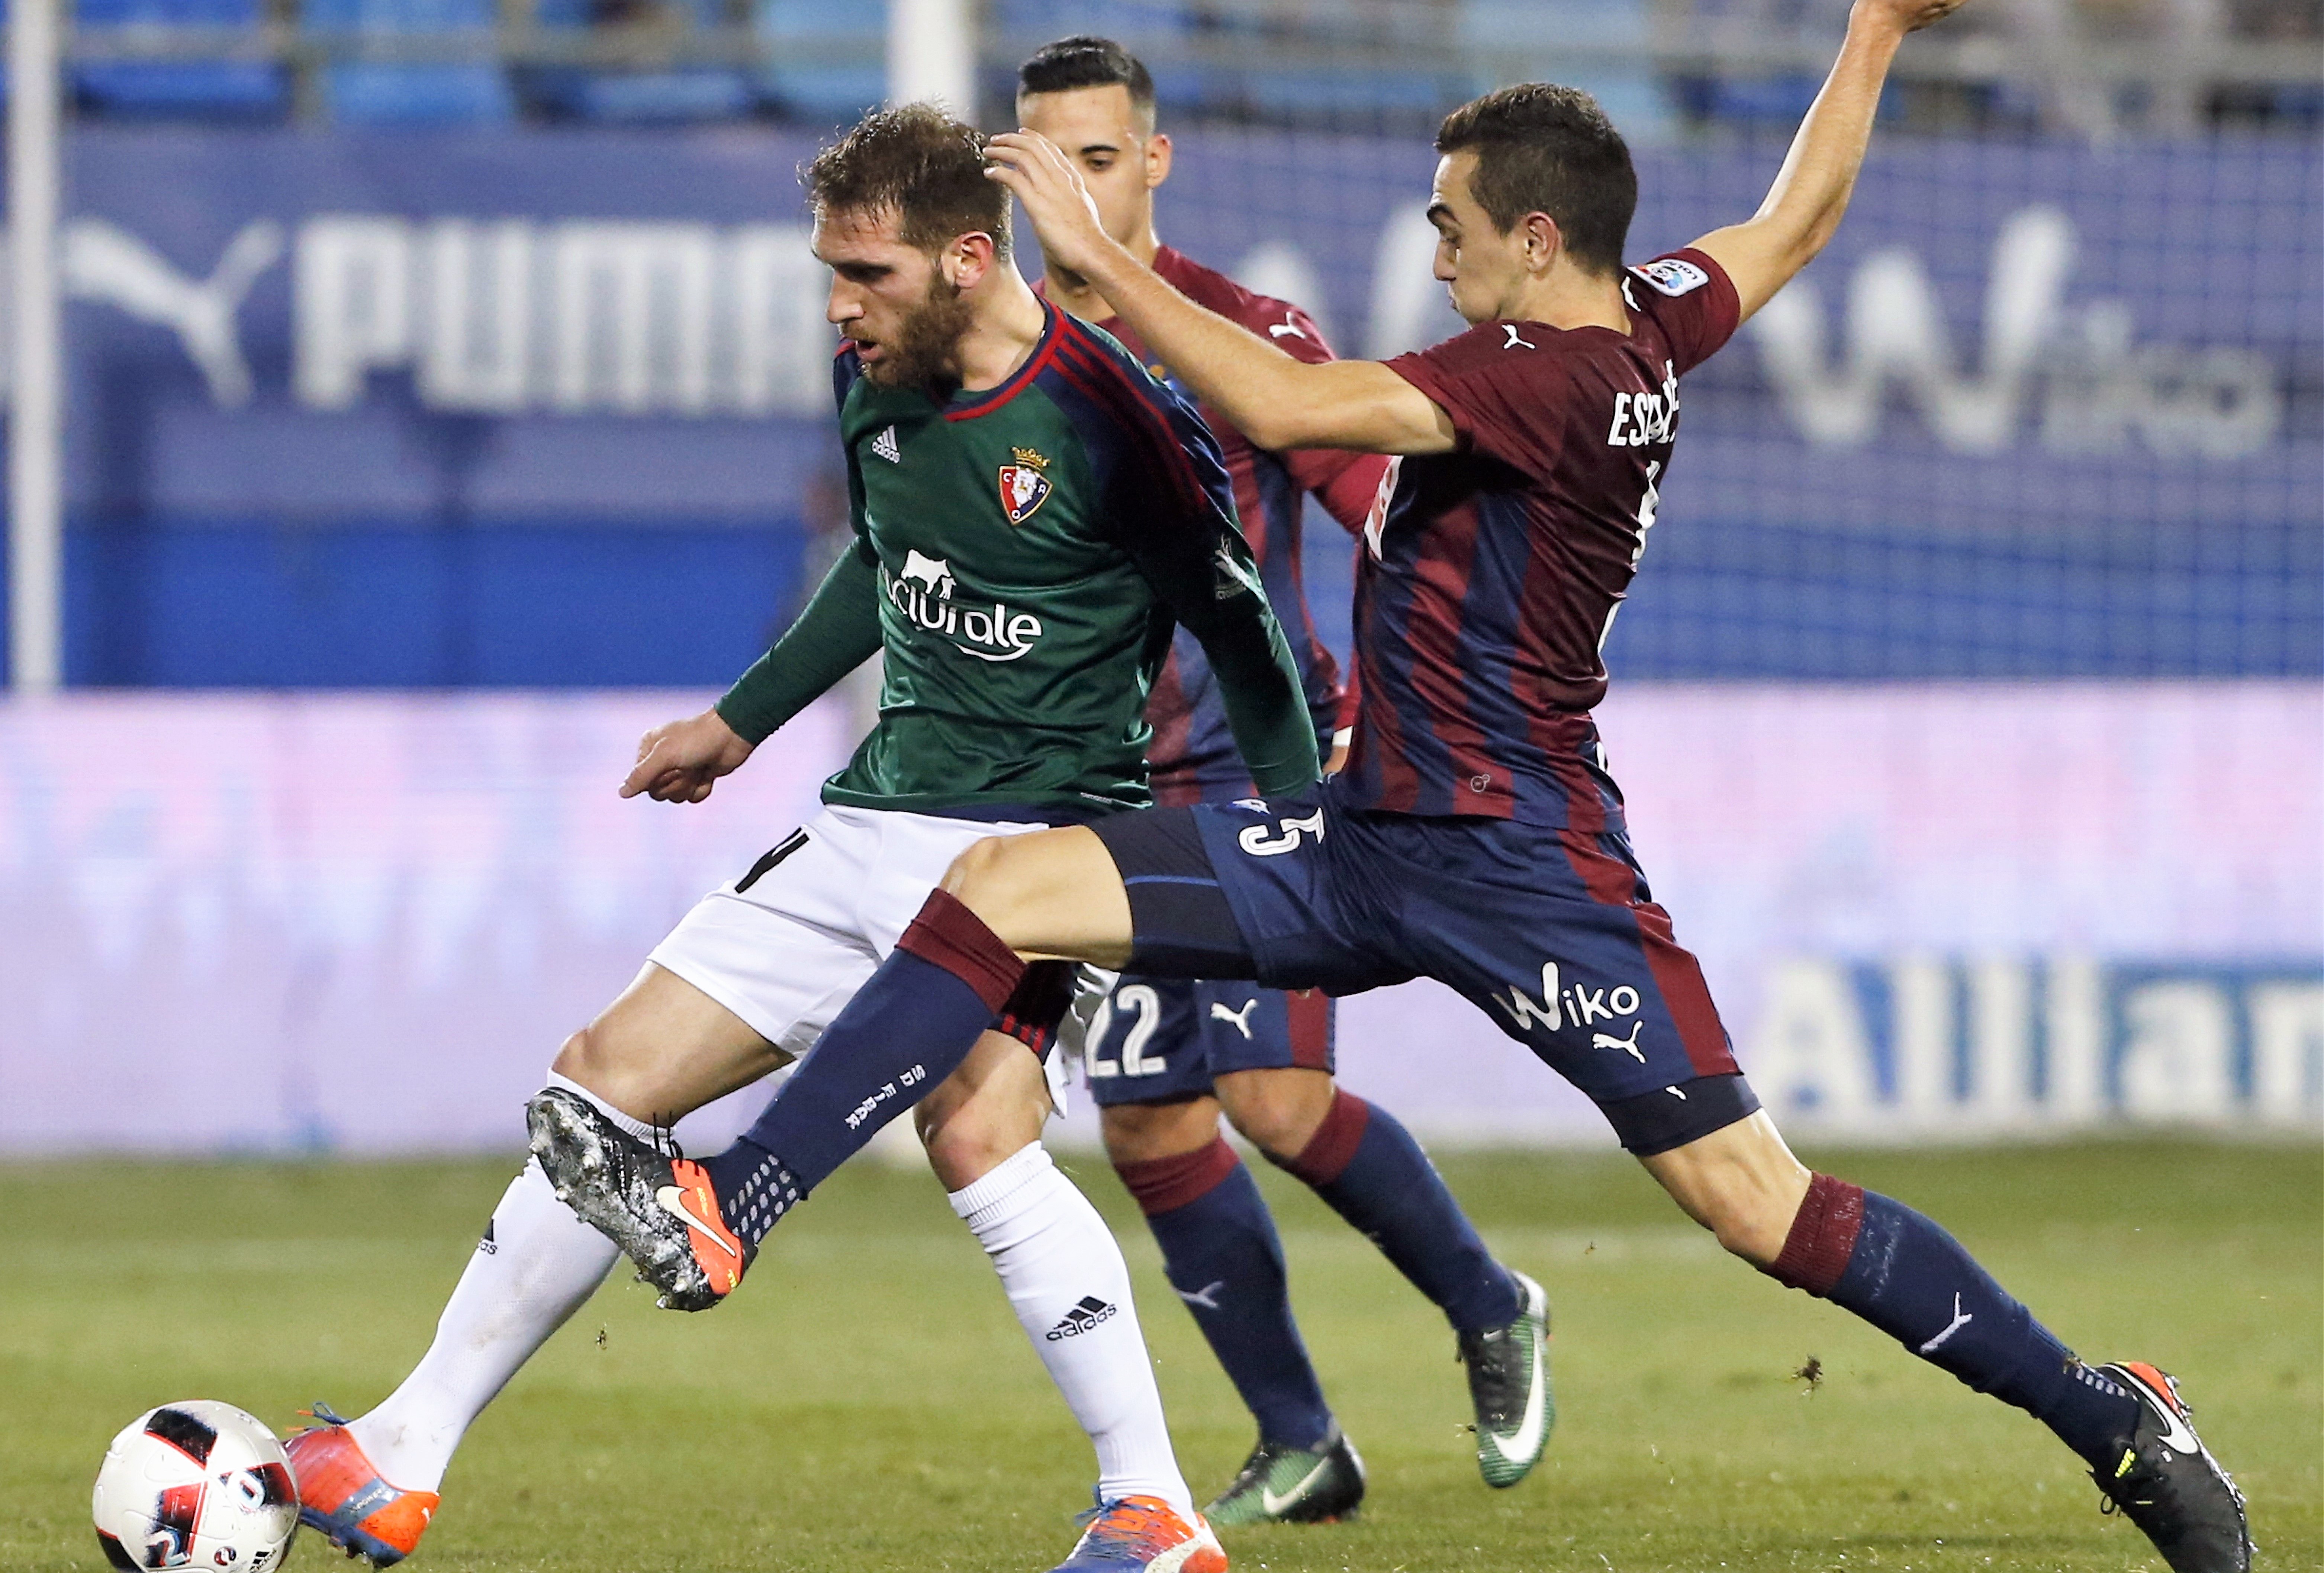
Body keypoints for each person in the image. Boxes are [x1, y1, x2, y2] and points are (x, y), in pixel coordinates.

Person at [531, 3, 2256, 1570]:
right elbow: (1794, 222)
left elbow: (1286, 405)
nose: (1434, 254)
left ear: (1535, 238)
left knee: (1761, 1205)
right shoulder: (1652, 315)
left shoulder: (1538, 378)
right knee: (995, 892)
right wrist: (1874, 30)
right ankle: (737, 1202)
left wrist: (1100, 266)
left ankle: (2111, 1412)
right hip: (1362, 839)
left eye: (1450, 225)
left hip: (1525, 867)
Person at [294, 102, 1327, 1573]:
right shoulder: (876, 375)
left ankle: (1149, 1502)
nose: (841, 305)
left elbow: (1242, 629)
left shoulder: (1115, 417)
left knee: (977, 1136)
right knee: (601, 1087)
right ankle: (404, 1448)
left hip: (1028, 852)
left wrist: (1292, 839)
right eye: (831, 272)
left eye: (868, 273)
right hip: (869, 813)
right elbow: (885, 558)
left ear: (967, 259)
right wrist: (742, 720)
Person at [1013, 36, 1550, 1525]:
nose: (1074, 190)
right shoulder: (1000, 352)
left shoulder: (1244, 332)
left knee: (1274, 1094)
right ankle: (1302, 1440)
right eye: (1046, 164)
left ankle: (1490, 1301)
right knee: (1148, 1124)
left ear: (1155, 161)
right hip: (1109, 805)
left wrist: (1412, 684)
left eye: (1100, 159)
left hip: (1267, 773)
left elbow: (1383, 501)